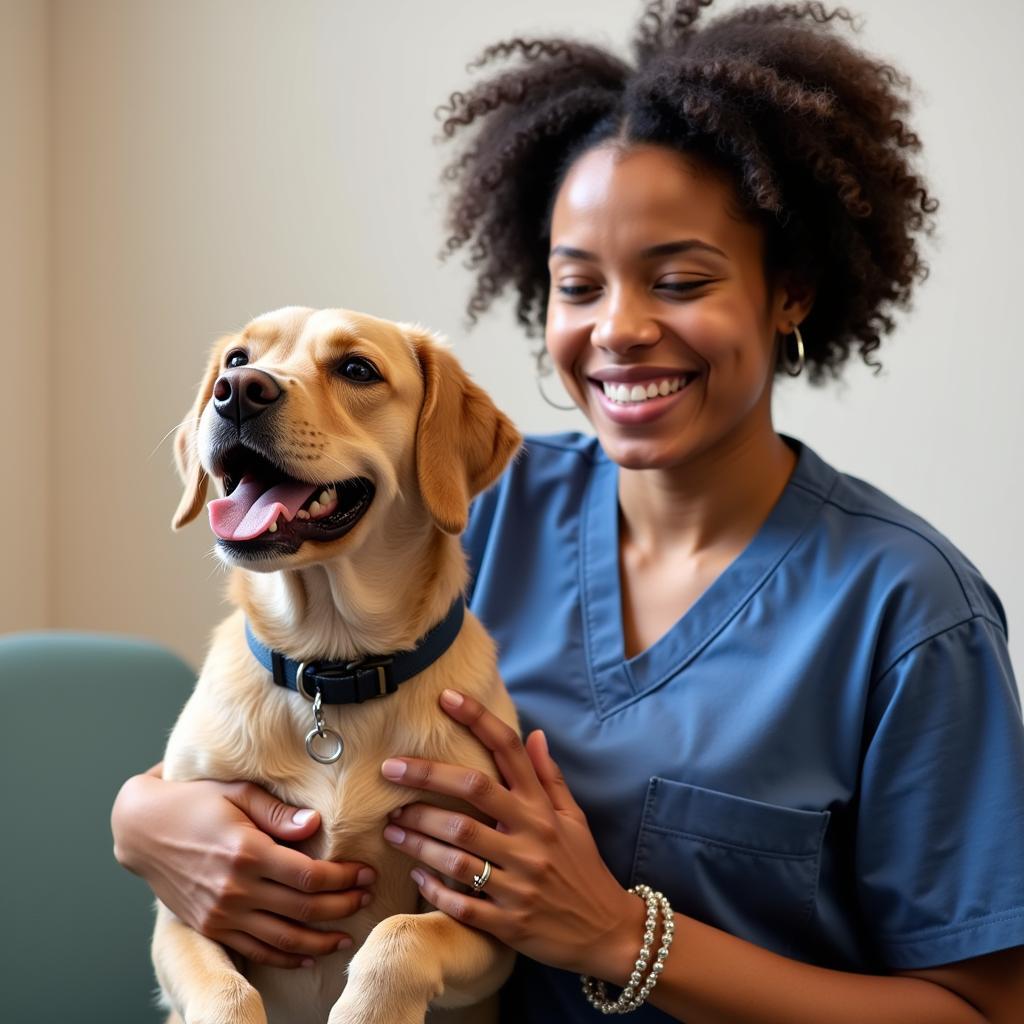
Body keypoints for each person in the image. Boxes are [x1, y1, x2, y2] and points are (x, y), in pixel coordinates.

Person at [112, 2, 1024, 1020]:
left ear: (791, 292)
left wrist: (614, 933)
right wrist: (141, 818)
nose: (619, 330)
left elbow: (979, 1011)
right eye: (577, 286)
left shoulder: (908, 612)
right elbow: (268, 728)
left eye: (679, 279)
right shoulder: (463, 507)